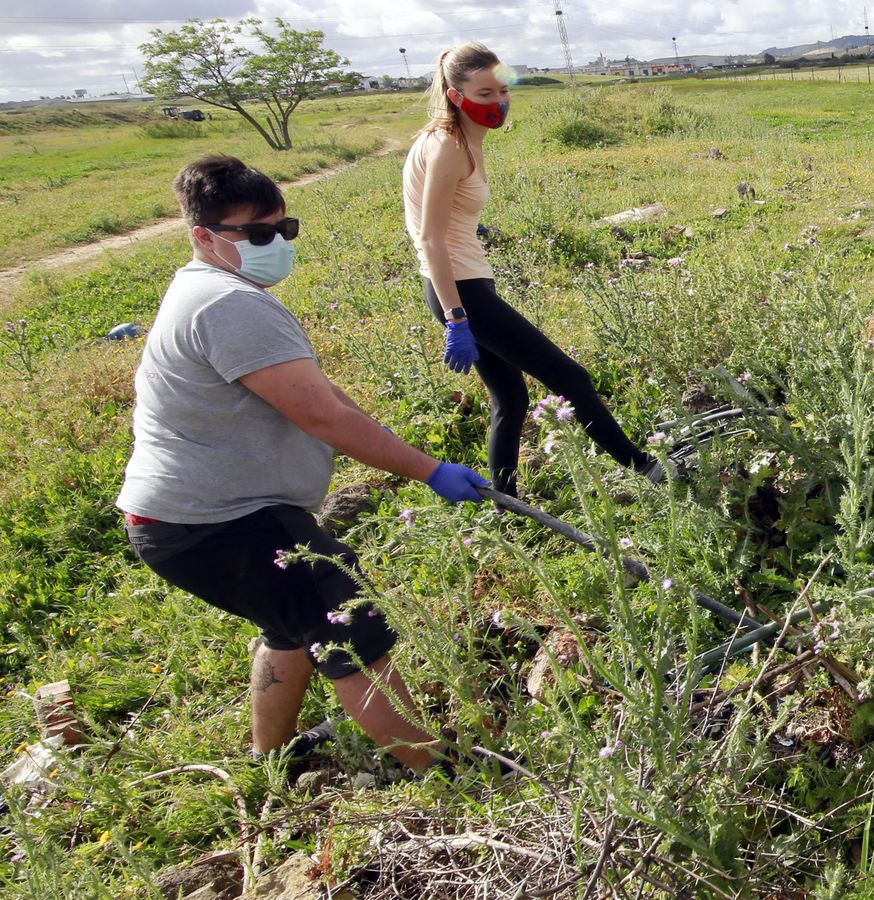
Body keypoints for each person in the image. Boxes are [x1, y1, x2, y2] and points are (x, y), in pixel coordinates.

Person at [118, 155, 489, 773]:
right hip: (220, 520)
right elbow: (324, 420)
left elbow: (321, 397)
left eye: (283, 230)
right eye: (258, 235)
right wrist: (428, 471)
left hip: (178, 522)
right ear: (203, 237)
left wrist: (405, 449)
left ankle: (273, 760)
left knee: (290, 626)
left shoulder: (209, 290)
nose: (276, 245)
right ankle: (446, 774)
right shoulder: (228, 306)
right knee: (354, 637)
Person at [402, 42, 666, 496]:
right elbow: (429, 237)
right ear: (453, 95)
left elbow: (446, 219)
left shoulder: (453, 139)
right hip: (461, 291)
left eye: (503, 90)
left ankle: (505, 502)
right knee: (571, 379)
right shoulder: (448, 145)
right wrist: (457, 318)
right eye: (484, 93)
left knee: (510, 397)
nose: (497, 102)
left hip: (461, 281)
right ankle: (646, 470)